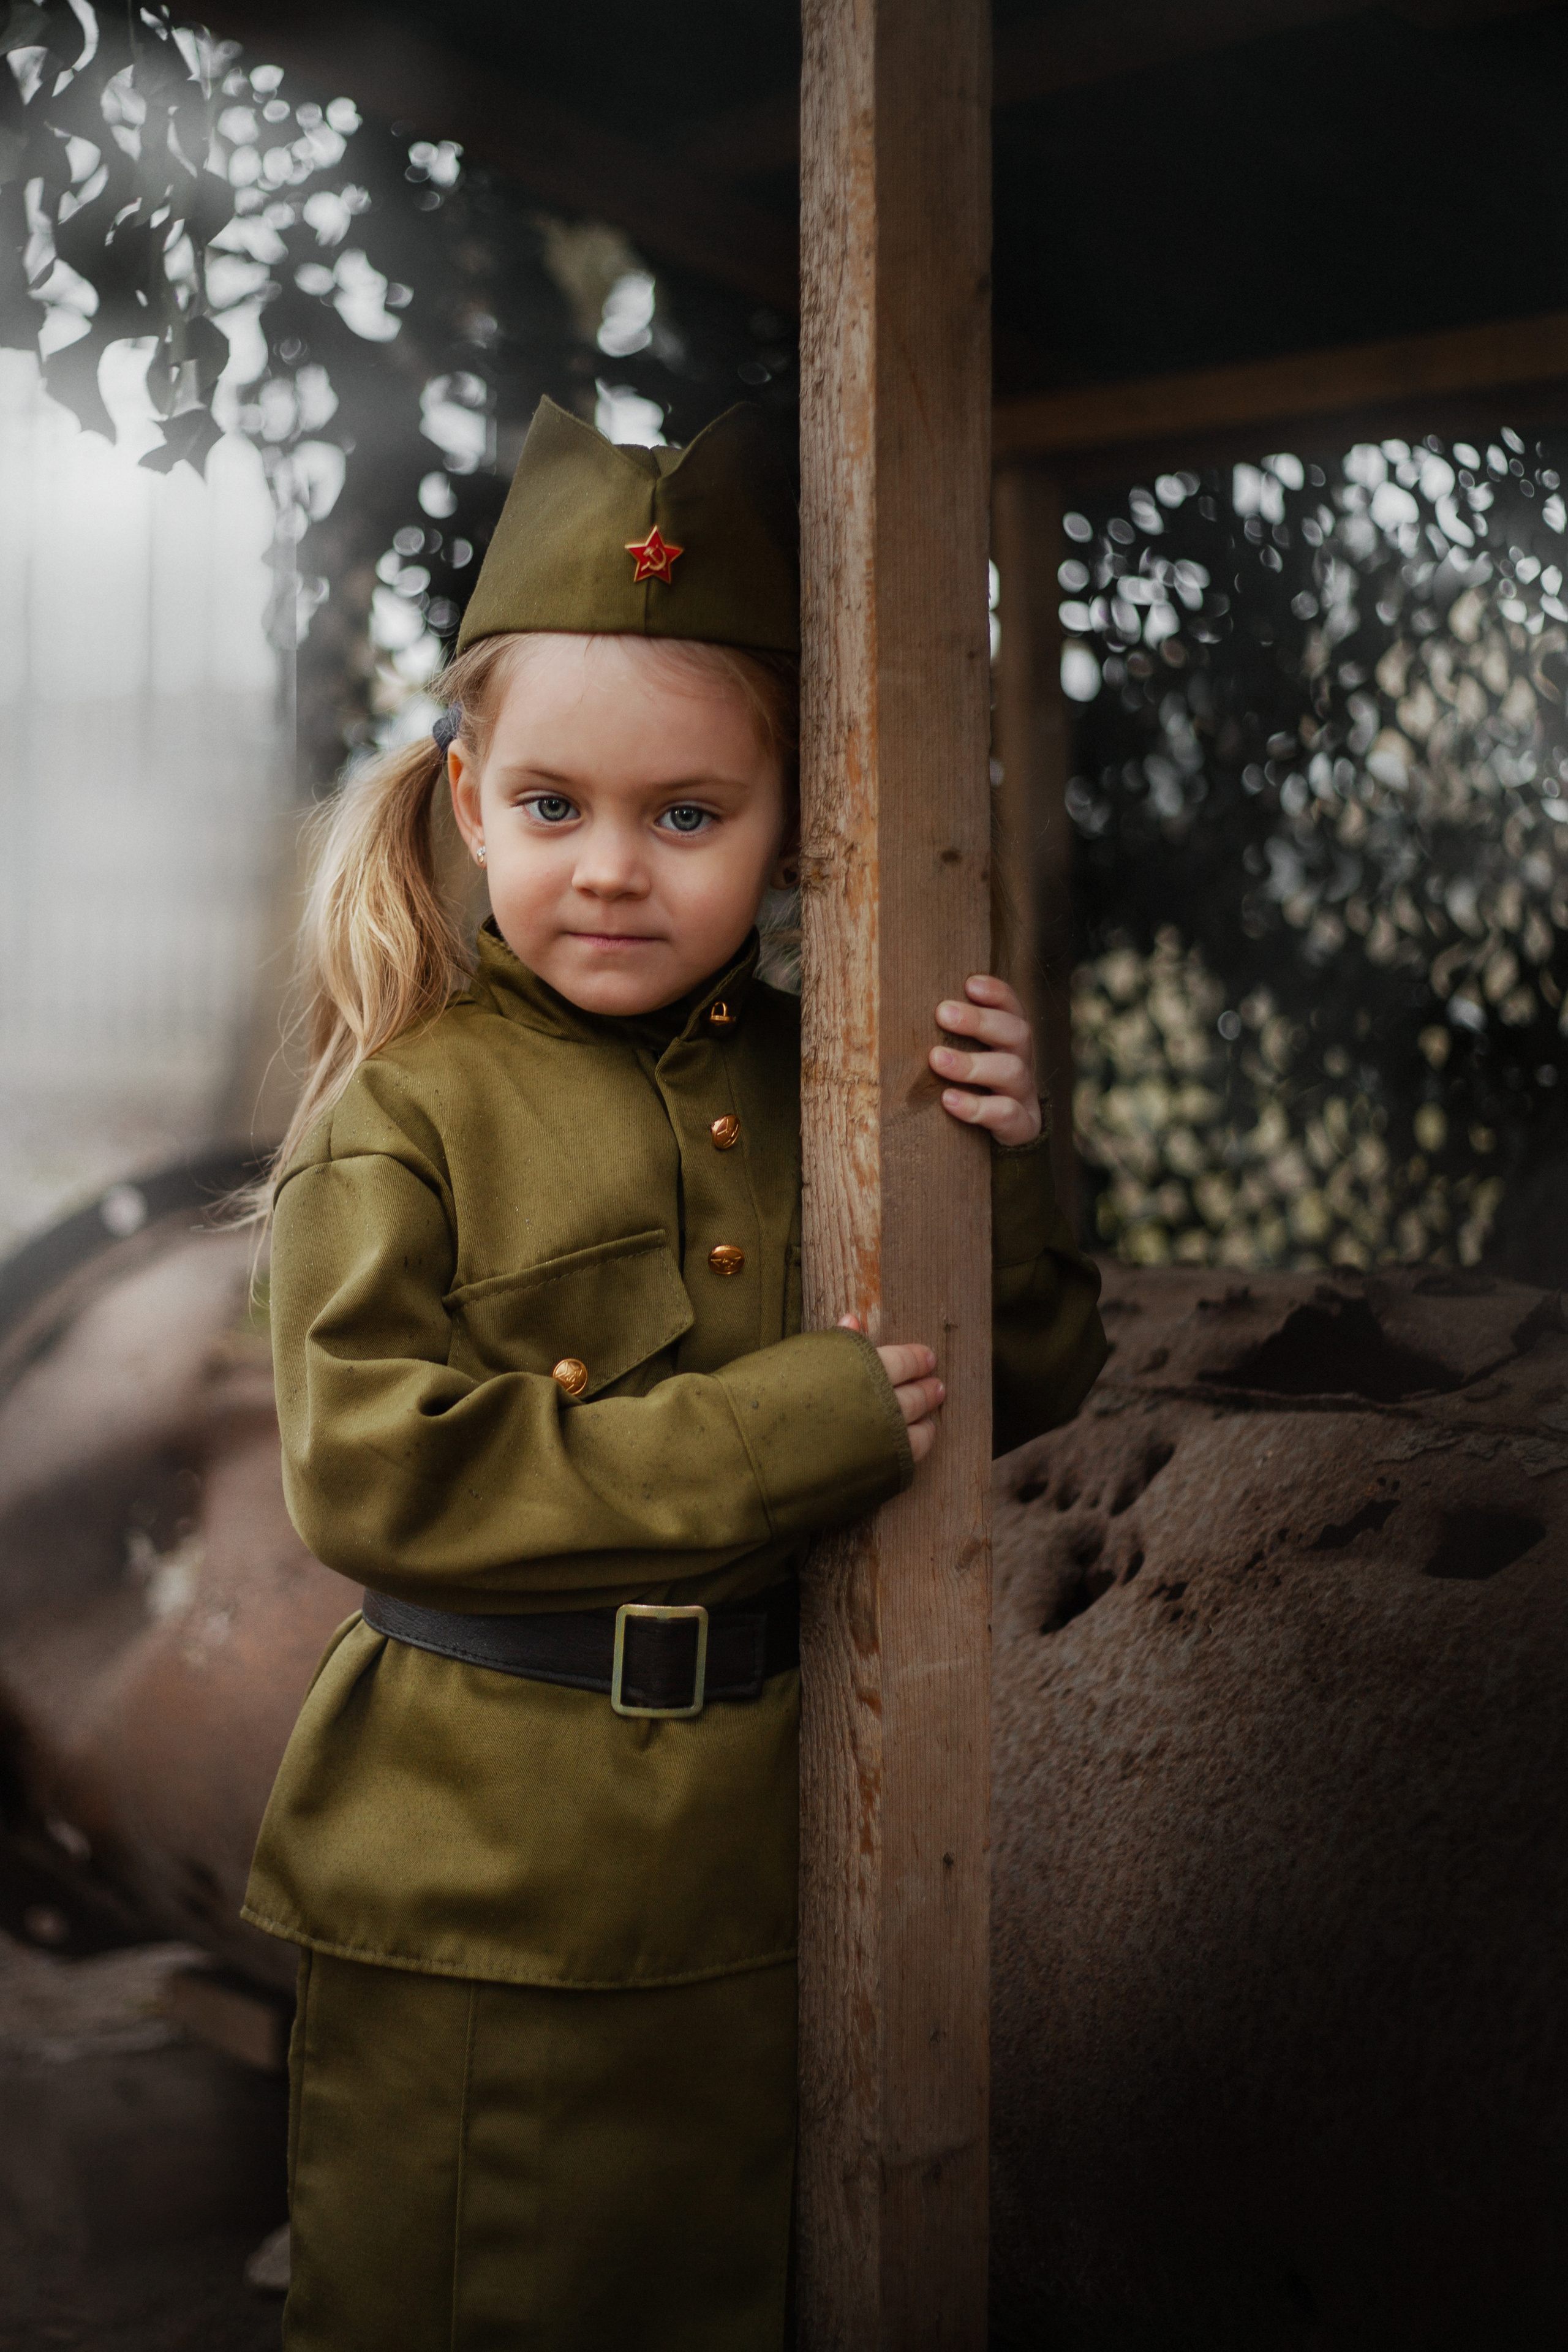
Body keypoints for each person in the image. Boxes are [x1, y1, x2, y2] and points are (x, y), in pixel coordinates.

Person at [243, 395, 1105, 2351]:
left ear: (797, 820)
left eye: (687, 816)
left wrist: (1003, 1154)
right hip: (481, 1889)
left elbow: (1027, 1378)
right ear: (470, 801)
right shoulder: (405, 1115)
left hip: (766, 1874)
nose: (613, 871)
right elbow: (377, 1474)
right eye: (555, 807)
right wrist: (790, 1425)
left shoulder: (826, 1089)